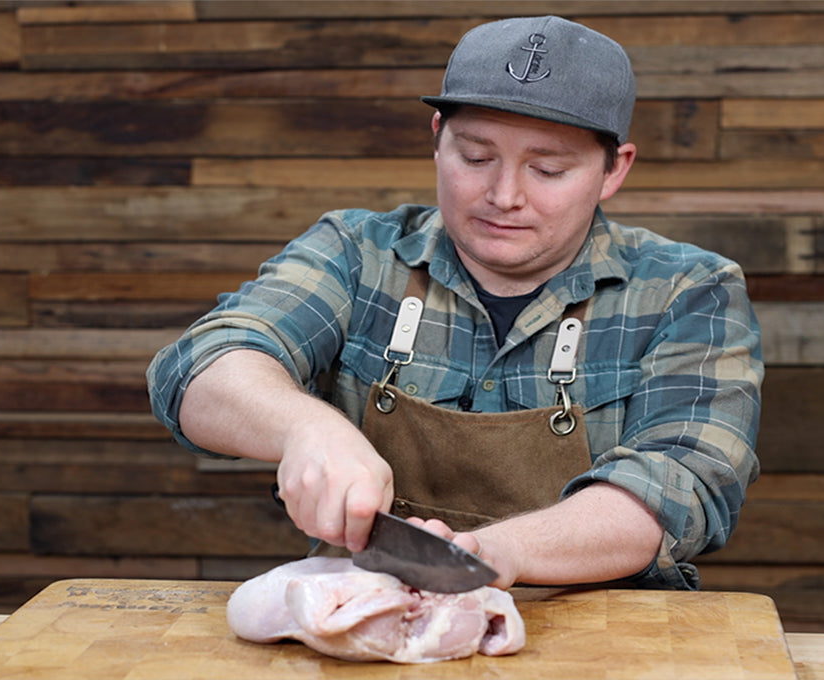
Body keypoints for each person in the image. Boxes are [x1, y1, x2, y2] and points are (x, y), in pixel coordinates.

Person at [147, 16, 762, 590]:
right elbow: (202, 363)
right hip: (373, 614)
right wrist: (306, 427)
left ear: (612, 170)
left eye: (547, 169)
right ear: (437, 139)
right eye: (475, 157)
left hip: (603, 644)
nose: (503, 195)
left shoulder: (690, 289)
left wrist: (496, 557)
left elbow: (686, 482)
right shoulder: (357, 253)